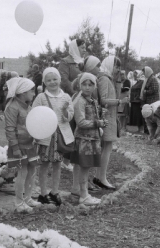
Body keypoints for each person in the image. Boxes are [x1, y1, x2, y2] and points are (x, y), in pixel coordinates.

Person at [31, 68, 73, 206]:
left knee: (57, 164)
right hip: (46, 135)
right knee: (44, 164)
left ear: (60, 80)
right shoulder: (41, 97)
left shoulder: (66, 97)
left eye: (55, 79)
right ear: (44, 82)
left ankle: (54, 191)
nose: (52, 82)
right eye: (48, 80)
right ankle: (43, 193)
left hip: (60, 136)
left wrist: (65, 111)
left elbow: (69, 117)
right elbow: (34, 114)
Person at [70, 73, 106, 206]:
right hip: (84, 140)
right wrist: (97, 123)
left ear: (94, 87)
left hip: (91, 138)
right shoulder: (80, 101)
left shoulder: (92, 100)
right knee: (84, 167)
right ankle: (84, 195)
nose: (87, 87)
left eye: (90, 85)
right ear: (80, 86)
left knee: (84, 167)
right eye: (84, 84)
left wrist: (100, 123)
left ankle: (80, 190)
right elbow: (80, 122)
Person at [4, 77, 39, 213]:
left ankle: (28, 198)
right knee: (22, 172)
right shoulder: (12, 107)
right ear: (23, 92)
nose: (33, 93)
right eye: (32, 91)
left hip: (29, 144)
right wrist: (15, 148)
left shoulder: (26, 105)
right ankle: (19, 202)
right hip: (19, 146)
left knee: (32, 171)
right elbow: (10, 129)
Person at [92, 55, 120, 190]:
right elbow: (103, 100)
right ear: (110, 65)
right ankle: (101, 178)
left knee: (106, 148)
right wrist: (119, 101)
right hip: (107, 118)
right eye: (116, 66)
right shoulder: (104, 79)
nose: (117, 70)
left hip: (110, 117)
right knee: (106, 148)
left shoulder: (107, 78)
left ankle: (99, 176)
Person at [116, 70, 131, 134]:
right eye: (121, 74)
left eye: (123, 74)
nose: (122, 76)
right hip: (119, 99)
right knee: (119, 114)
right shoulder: (118, 81)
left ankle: (124, 127)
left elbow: (126, 89)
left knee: (125, 114)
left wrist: (120, 89)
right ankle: (119, 127)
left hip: (125, 98)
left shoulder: (127, 81)